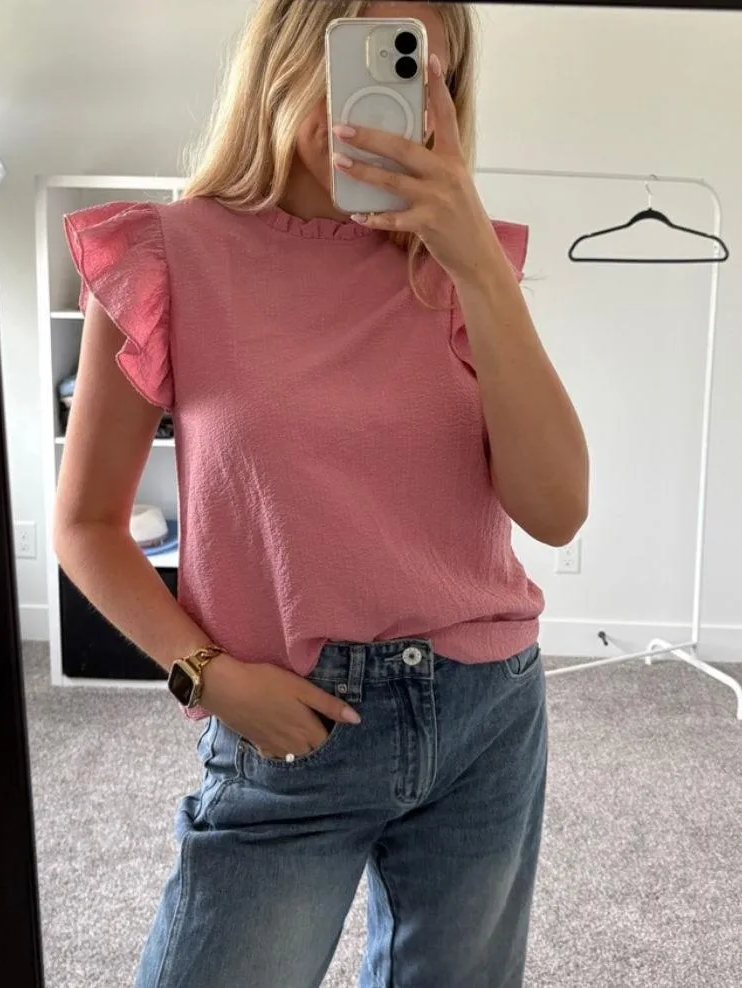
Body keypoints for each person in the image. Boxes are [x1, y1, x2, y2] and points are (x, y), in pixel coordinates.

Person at [55, 1, 589, 986]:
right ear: (294, 53)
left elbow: (556, 510)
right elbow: (86, 523)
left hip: (486, 713)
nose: (389, 96)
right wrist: (205, 675)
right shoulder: (164, 255)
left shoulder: (464, 267)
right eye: (368, 56)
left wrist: (476, 262)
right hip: (289, 721)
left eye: (423, 70)